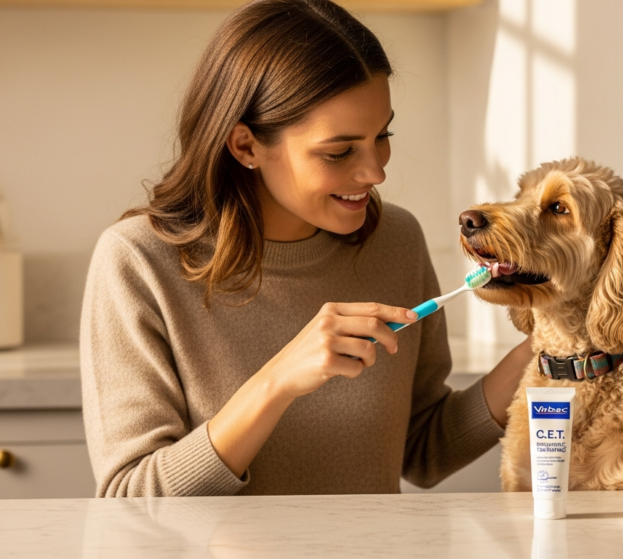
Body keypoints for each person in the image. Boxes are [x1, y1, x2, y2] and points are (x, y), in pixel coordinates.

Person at [80, 0, 533, 497]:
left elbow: (422, 450)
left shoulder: (396, 241)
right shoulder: (137, 262)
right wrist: (278, 382)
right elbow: (130, 499)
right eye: (339, 152)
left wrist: (540, 352)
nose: (375, 172)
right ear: (246, 146)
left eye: (382, 136)